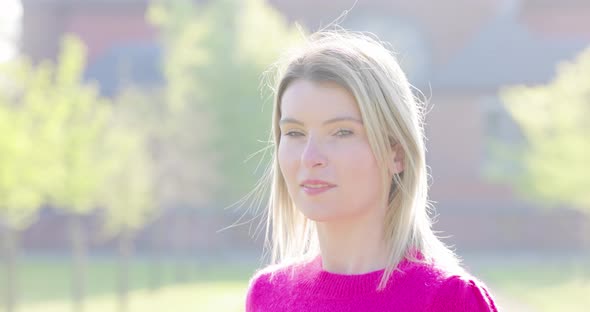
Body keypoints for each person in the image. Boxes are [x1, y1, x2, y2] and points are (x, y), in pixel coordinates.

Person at [245, 29, 498, 312]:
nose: (310, 157)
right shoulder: (267, 294)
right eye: (294, 132)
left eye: (342, 132)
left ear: (397, 153)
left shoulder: (450, 299)